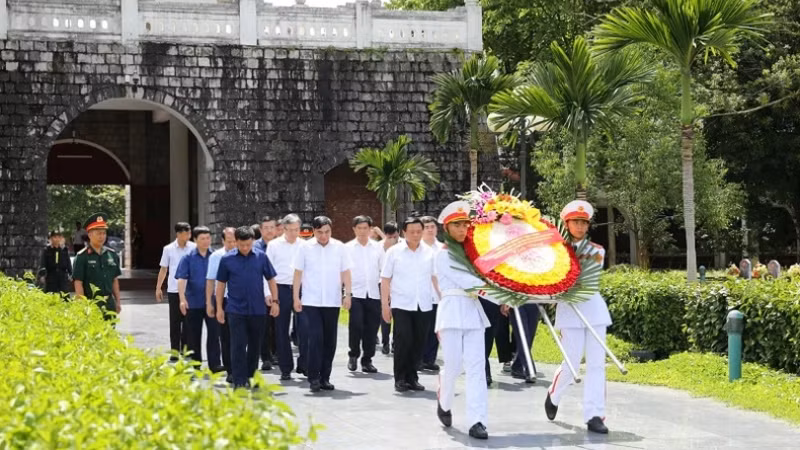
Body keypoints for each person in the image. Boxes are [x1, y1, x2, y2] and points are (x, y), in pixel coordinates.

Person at [545, 200, 611, 434]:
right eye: (575, 222)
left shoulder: (597, 251)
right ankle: (554, 395)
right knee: (571, 363)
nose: (580, 226)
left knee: (596, 364)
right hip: (569, 312)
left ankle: (595, 415)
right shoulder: (556, 250)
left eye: (584, 222)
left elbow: (585, 279)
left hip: (594, 310)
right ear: (566, 224)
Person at [434, 200, 490, 440]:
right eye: (456, 225)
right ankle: (444, 402)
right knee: (454, 367)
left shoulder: (474, 253)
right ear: (446, 228)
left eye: (465, 225)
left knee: (477, 368)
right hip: (451, 313)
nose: (461, 229)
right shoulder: (443, 255)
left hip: (473, 313)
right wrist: (504, 295)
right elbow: (470, 283)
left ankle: (477, 421)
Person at [293, 216, 353, 392]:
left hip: (332, 301)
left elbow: (346, 272)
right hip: (311, 301)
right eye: (319, 232)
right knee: (315, 338)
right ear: (314, 231)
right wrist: (296, 297)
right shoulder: (305, 248)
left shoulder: (340, 247)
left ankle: (325, 377)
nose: (324, 236)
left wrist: (347, 295)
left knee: (330, 341)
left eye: (327, 232)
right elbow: (297, 273)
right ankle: (313, 377)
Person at [215, 226, 279, 389]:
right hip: (235, 310)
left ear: (253, 242)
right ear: (236, 242)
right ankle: (239, 380)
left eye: (248, 245)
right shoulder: (227, 260)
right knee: (237, 345)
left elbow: (271, 279)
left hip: (257, 310)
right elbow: (221, 285)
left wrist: (275, 301)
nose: (245, 248)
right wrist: (219, 308)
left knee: (255, 345)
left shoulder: (261, 257)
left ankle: (251, 376)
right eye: (241, 245)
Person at [381, 216, 437, 393]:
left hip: (424, 304)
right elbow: (385, 279)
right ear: (404, 232)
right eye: (412, 232)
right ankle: (400, 378)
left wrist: (444, 299)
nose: (415, 235)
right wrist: (385, 305)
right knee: (403, 340)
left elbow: (435, 278)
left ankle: (412, 378)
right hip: (401, 304)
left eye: (419, 231)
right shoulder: (394, 252)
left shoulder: (429, 252)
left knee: (419, 342)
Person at [176, 226, 222, 372]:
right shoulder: (188, 257)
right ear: (195, 240)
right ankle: (195, 364)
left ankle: (215, 364)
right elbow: (181, 279)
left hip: (212, 302)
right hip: (193, 302)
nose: (206, 241)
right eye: (202, 238)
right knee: (193, 335)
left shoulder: (216, 256)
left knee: (214, 334)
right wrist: (182, 299)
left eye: (208, 238)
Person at [266, 214, 305, 380]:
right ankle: (285, 367)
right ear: (284, 228)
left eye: (297, 229)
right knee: (281, 329)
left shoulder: (305, 245)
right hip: (280, 288)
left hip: (301, 289)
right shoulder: (274, 245)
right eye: (290, 230)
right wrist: (268, 293)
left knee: (305, 327)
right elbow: (267, 272)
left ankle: (304, 363)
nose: (294, 233)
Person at [345, 215, 384, 374]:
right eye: (359, 228)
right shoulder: (347, 248)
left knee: (372, 328)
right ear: (354, 229)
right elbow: (344, 271)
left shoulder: (378, 248)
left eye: (365, 228)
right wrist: (345, 293)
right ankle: (353, 354)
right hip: (355, 293)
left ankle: (367, 359)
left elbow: (384, 270)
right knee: (356, 325)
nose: (362, 231)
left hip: (373, 293)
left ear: (370, 229)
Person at [155, 222, 196, 361]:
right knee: (175, 322)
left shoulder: (194, 248)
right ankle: (174, 351)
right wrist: (158, 287)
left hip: (190, 290)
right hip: (174, 290)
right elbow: (163, 269)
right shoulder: (168, 249)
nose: (189, 235)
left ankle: (186, 349)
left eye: (189, 233)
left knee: (189, 321)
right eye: (186, 233)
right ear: (178, 234)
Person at [73, 213, 122, 319]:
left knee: (111, 329)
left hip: (109, 304)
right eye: (98, 233)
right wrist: (82, 306)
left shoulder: (112, 254)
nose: (102, 236)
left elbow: (114, 280)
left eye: (104, 233)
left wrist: (118, 301)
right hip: (92, 304)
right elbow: (78, 283)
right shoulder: (82, 256)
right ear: (90, 235)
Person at [206, 227, 236, 379]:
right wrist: (210, 303)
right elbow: (210, 281)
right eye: (229, 241)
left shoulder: (243, 254)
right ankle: (230, 369)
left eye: (234, 241)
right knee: (226, 336)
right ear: (223, 241)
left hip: (239, 299)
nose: (232, 244)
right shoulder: (216, 256)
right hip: (222, 299)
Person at [255, 216, 278, 370]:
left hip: (278, 289)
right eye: (266, 228)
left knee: (278, 324)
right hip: (260, 290)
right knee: (264, 325)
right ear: (261, 230)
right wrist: (265, 292)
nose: (269, 231)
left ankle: (276, 353)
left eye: (272, 227)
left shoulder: (280, 245)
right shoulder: (255, 247)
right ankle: (266, 357)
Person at [420, 215, 443, 371]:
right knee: (422, 329)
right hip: (422, 295)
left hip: (439, 295)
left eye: (432, 227)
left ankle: (430, 359)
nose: (429, 230)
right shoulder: (417, 248)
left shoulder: (443, 248)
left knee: (436, 328)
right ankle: (419, 358)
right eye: (426, 227)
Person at [501, 303, 539, 383]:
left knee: (529, 337)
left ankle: (518, 366)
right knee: (523, 337)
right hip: (516, 301)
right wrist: (505, 302)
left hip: (534, 301)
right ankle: (529, 370)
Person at [379, 220, 401, 355]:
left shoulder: (405, 245)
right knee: (385, 314)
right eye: (389, 236)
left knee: (398, 315)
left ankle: (395, 343)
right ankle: (385, 342)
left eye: (395, 236)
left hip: (399, 285)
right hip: (384, 283)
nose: (393, 239)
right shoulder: (379, 247)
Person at [38, 230, 72, 295]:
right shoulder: (47, 250)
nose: (57, 239)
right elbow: (43, 263)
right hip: (51, 275)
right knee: (50, 294)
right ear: (51, 238)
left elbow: (68, 262)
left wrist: (71, 274)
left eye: (59, 237)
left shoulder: (64, 250)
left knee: (64, 295)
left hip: (62, 275)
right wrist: (42, 275)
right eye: (55, 237)